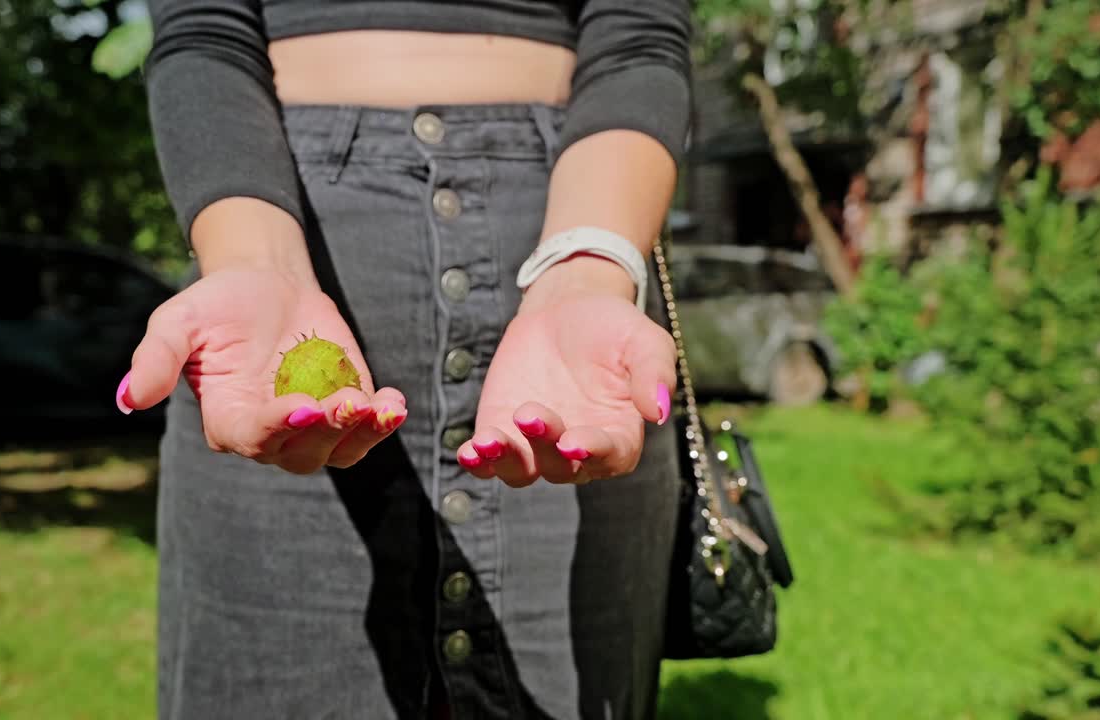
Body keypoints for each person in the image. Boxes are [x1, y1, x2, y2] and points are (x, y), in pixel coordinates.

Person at [118, 1, 692, 717]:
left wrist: (586, 270)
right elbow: (204, 29)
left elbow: (637, 34)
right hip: (281, 225)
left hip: (571, 241)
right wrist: (256, 264)